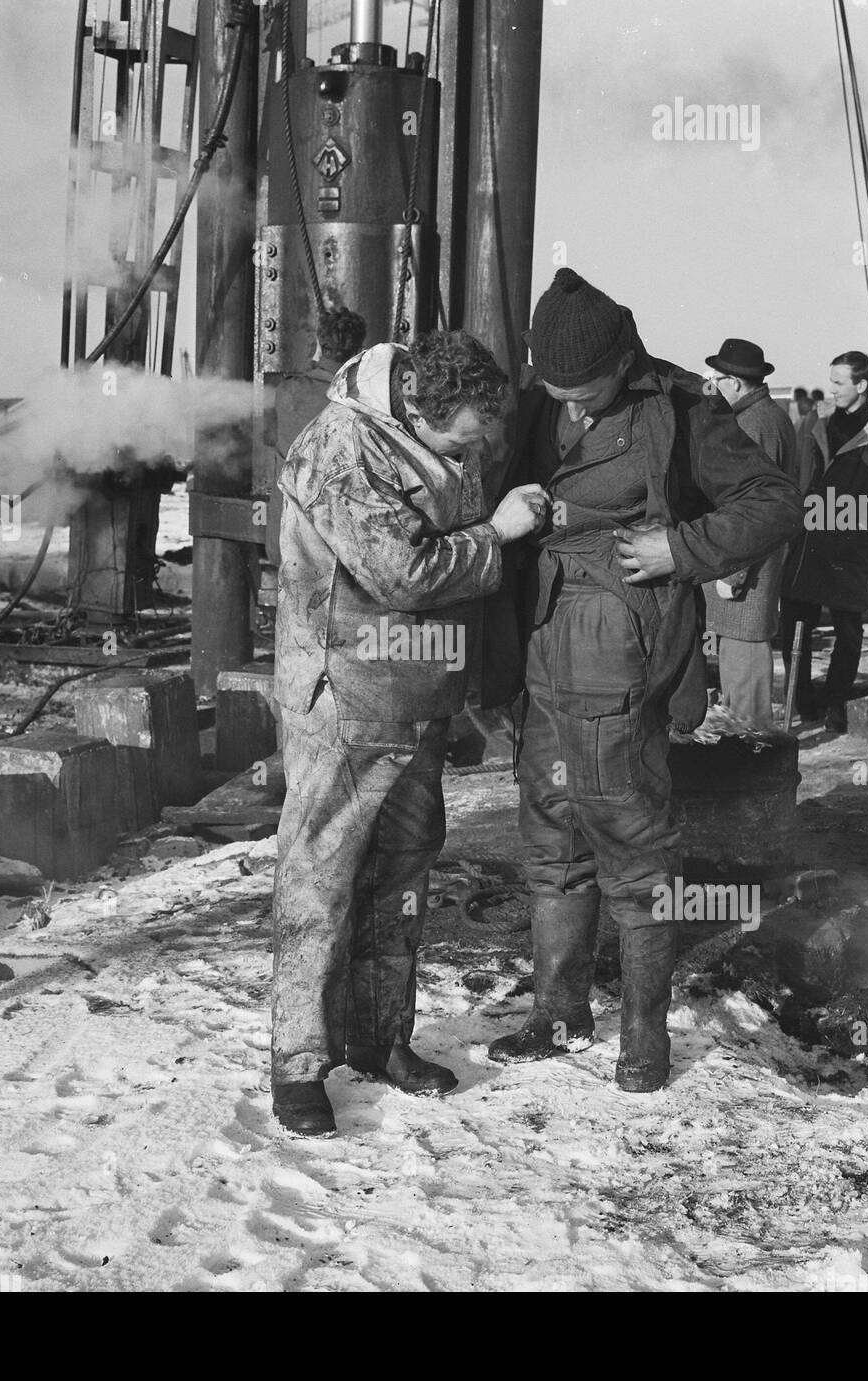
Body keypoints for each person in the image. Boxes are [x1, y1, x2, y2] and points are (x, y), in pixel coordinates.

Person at [486, 269, 803, 1092]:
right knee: (552, 838)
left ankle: (643, 1038)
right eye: (556, 391)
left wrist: (684, 549)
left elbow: (774, 500)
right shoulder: (533, 405)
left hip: (621, 660)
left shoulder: (684, 407)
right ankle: (556, 1010)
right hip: (542, 658)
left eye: (584, 390)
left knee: (631, 845)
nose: (572, 406)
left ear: (623, 363)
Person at [271, 330, 550, 1136]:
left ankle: (380, 1036)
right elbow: (403, 574)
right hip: (347, 699)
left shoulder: (422, 427)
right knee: (320, 880)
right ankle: (298, 1066)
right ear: (422, 414)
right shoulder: (342, 448)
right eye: (469, 436)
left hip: (416, 697)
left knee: (401, 877)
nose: (483, 447)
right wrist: (497, 533)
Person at [781, 351, 868, 731]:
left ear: (862, 386)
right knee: (792, 626)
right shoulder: (814, 422)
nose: (830, 390)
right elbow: (796, 477)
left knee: (848, 630)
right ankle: (802, 704)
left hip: (852, 547)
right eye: (830, 381)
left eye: (838, 383)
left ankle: (835, 698)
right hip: (808, 541)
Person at [700, 339, 799, 727]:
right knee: (738, 663)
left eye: (717, 379)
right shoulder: (763, 417)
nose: (712, 386)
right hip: (744, 565)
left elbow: (754, 511)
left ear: (736, 383)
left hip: (745, 570)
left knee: (744, 666)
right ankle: (745, 740)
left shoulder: (755, 424)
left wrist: (732, 573)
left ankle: (751, 747)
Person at [267, 308, 368, 568]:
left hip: (286, 540)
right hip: (338, 548)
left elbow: (268, 438)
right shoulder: (362, 402)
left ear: (321, 344)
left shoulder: (288, 390)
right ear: (359, 349)